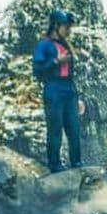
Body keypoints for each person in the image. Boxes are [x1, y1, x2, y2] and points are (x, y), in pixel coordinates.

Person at [32, 9, 85, 173]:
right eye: (66, 27)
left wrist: (77, 96)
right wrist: (56, 61)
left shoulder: (65, 45)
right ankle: (55, 165)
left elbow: (71, 73)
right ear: (56, 25)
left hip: (69, 89)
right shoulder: (44, 45)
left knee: (74, 128)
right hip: (53, 88)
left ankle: (77, 163)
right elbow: (37, 70)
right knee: (55, 129)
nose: (68, 30)